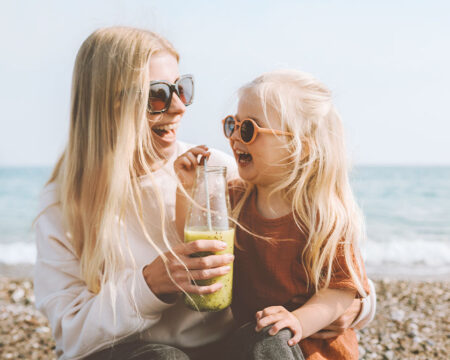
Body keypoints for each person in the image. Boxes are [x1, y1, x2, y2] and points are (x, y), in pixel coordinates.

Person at [34, 26, 374, 360]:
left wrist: (353, 308)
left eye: (182, 90)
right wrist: (148, 285)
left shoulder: (215, 171)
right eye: (158, 95)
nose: (180, 107)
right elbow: (71, 334)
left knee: (269, 342)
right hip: (132, 353)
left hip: (225, 347)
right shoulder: (63, 206)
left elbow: (331, 267)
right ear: (105, 104)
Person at [174, 69, 374, 359]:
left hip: (311, 349)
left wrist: (298, 321)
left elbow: (340, 291)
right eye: (233, 124)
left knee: (273, 340)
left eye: (248, 130)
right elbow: (197, 246)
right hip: (252, 344)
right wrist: (188, 190)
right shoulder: (236, 199)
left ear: (299, 147)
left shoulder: (324, 216)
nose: (234, 138)